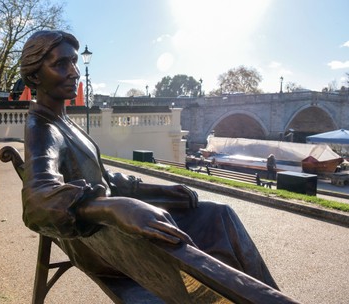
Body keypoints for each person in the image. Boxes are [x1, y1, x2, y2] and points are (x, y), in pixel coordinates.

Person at [20, 30, 278, 289]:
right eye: (61, 64)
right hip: (108, 248)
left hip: (105, 237)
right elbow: (37, 203)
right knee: (219, 224)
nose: (74, 72)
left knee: (220, 216)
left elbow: (106, 180)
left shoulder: (62, 123)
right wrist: (114, 209)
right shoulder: (43, 129)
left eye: (74, 61)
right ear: (34, 76)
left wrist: (161, 190)